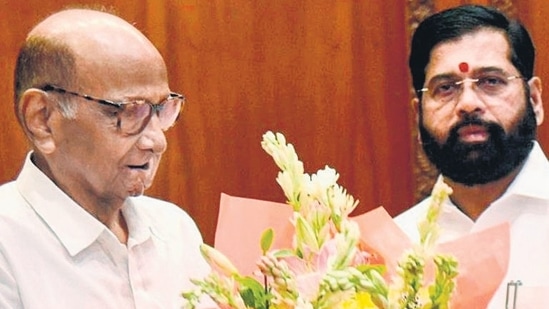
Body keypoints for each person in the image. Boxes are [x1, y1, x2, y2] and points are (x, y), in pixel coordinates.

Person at [0, 8, 213, 309]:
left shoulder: (175, 229)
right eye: (127, 113)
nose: (157, 141)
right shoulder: (6, 245)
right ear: (43, 119)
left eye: (162, 110)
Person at [394, 4, 549, 308]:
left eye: (490, 81)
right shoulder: (395, 249)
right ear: (417, 115)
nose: (467, 103)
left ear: (535, 99)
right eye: (445, 88)